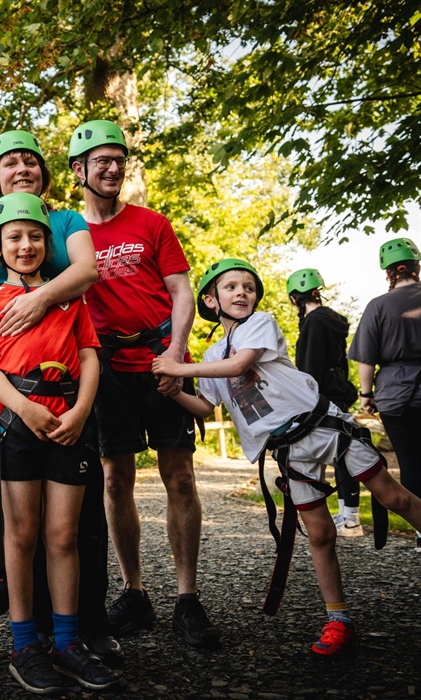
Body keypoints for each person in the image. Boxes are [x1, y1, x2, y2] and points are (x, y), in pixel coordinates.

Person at [152, 257, 421, 656]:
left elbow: (240, 364)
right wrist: (176, 393)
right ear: (210, 300)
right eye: (231, 287)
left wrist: (177, 367)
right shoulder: (210, 356)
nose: (242, 292)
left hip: (324, 428)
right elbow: (206, 408)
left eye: (249, 287)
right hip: (289, 450)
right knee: (320, 533)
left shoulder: (259, 325)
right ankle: (338, 619)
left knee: (394, 496)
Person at [0, 129, 119, 661]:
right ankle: (27, 639)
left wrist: (82, 409)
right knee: (21, 532)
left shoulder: (67, 239)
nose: (25, 246)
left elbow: (89, 347)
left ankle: (74, 634)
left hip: (68, 410)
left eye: (30, 161)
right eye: (9, 162)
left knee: (69, 532)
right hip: (14, 412)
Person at [69, 119, 221, 647]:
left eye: (119, 160)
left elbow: (181, 291)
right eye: (102, 161)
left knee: (180, 477)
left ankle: (187, 598)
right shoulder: (70, 233)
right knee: (115, 481)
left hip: (161, 358)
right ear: (79, 170)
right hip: (108, 368)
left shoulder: (152, 223)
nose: (113, 168)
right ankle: (134, 592)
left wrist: (176, 354)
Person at [348, 237, 421, 552]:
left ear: (388, 272)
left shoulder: (377, 306)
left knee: (411, 461)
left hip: (395, 394)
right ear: (417, 267)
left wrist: (366, 394)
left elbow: (366, 358)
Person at [286, 268, 361, 536]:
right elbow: (342, 362)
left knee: (340, 454)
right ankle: (347, 514)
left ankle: (350, 519)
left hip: (322, 395)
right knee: (342, 452)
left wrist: (303, 399)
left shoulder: (313, 322)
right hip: (338, 388)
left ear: (294, 298)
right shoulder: (332, 319)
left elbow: (308, 368)